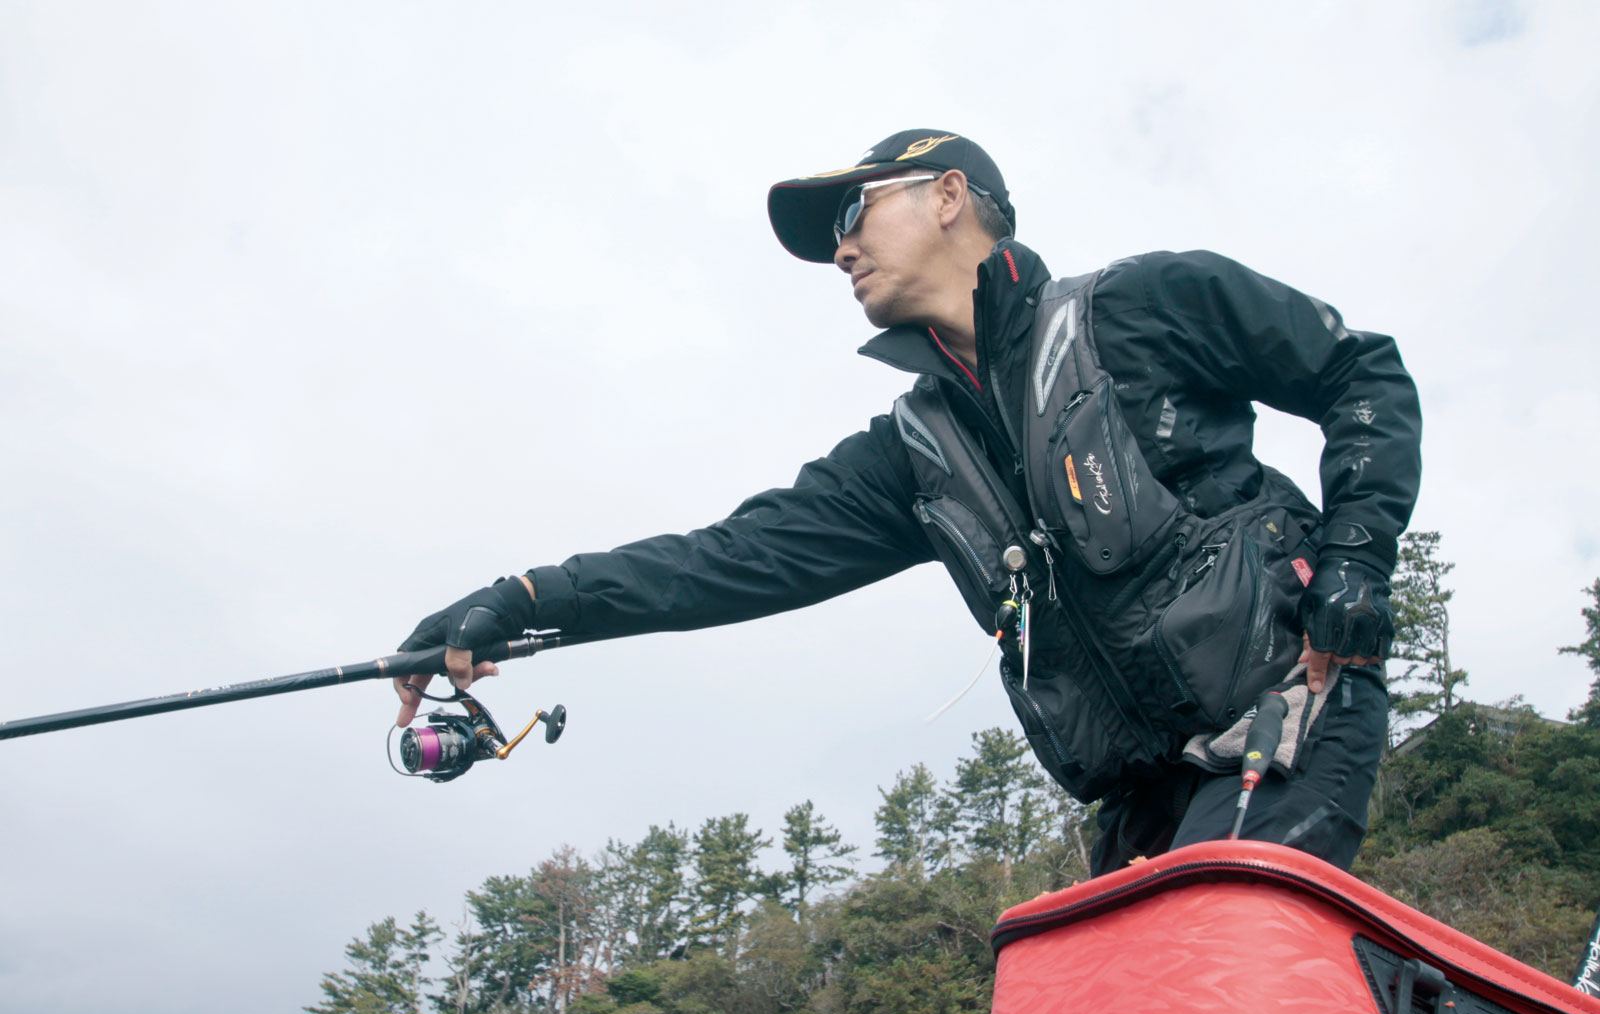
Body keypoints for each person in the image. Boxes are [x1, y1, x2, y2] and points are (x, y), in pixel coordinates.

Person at [395, 129, 1420, 875]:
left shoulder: (1146, 304)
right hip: (1138, 801)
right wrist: (523, 594)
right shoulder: (908, 454)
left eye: (851, 215)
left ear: (946, 194)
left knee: (1211, 987)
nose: (839, 251)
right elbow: (721, 559)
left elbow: (1361, 375)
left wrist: (1355, 570)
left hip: (1285, 709)